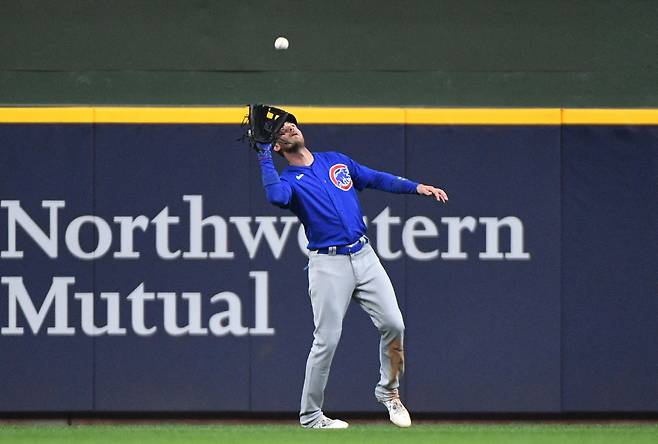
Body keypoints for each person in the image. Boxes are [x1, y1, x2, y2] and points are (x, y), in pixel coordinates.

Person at [255, 114, 448, 429]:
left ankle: (389, 393)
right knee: (326, 340)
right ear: (277, 145)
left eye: (291, 123)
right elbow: (275, 197)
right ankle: (311, 416)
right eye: (281, 129)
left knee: (394, 323)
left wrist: (416, 188)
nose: (289, 127)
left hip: (363, 254)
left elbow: (373, 177)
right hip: (328, 264)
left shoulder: (335, 161)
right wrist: (263, 155)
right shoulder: (289, 180)